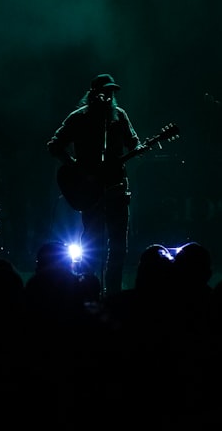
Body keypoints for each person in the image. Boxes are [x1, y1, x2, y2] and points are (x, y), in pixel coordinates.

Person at [47, 73, 140, 297]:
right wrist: (75, 166)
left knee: (118, 245)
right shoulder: (79, 118)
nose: (108, 97)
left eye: (111, 93)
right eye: (104, 92)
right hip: (91, 192)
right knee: (92, 242)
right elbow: (54, 145)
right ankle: (87, 291)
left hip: (117, 188)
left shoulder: (120, 117)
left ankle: (113, 293)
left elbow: (134, 142)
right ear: (93, 94)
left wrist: (139, 147)